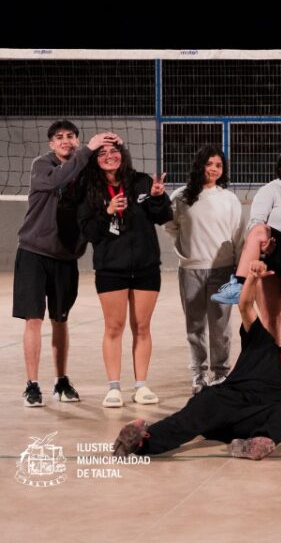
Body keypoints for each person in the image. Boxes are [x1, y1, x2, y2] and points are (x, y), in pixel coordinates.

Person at [112, 261, 281, 460]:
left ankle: (257, 444)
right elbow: (245, 306)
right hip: (223, 402)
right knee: (188, 419)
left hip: (247, 421)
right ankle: (141, 441)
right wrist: (253, 278)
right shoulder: (263, 344)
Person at [14, 121, 117, 406]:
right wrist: (88, 150)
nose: (66, 141)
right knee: (33, 320)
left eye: (71, 136)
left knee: (60, 319)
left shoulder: (85, 168)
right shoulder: (41, 165)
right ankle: (32, 385)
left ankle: (61, 381)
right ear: (51, 144)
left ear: (77, 139)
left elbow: (109, 174)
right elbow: (59, 179)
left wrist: (112, 146)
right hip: (34, 252)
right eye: (59, 137)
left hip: (65, 257)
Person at [77, 142, 172, 407]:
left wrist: (157, 196)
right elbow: (89, 233)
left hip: (146, 267)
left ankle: (141, 386)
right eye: (102, 153)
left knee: (142, 327)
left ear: (123, 155)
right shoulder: (88, 190)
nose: (109, 156)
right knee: (114, 328)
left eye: (114, 151)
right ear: (95, 160)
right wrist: (107, 213)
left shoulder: (141, 181)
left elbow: (162, 216)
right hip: (110, 268)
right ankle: (114, 388)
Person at [165, 146, 244, 395]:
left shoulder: (229, 199)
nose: (213, 169)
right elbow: (171, 227)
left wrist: (238, 271)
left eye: (218, 165)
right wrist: (186, 253)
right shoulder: (180, 196)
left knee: (222, 326)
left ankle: (220, 373)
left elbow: (238, 236)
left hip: (224, 270)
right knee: (195, 325)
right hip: (191, 270)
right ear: (199, 165)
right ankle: (198, 373)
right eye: (209, 164)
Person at [212, 148, 281, 343]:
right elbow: (254, 223)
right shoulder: (270, 190)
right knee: (271, 318)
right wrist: (263, 246)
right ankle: (274, 366)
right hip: (272, 254)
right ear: (280, 170)